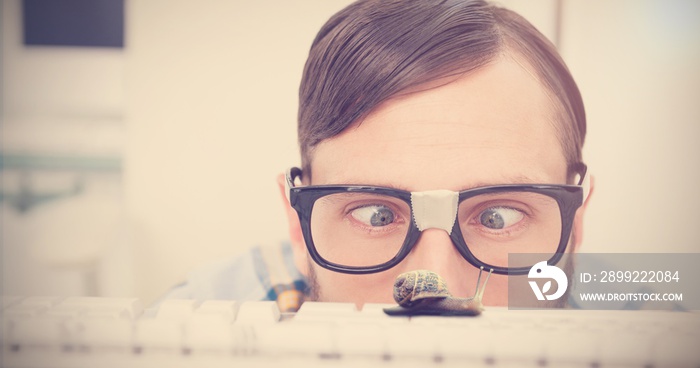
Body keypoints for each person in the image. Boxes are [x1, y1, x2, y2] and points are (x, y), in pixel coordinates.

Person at [160, 0, 592, 311]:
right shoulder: (177, 330)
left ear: (575, 222)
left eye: (498, 216)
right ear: (297, 222)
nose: (434, 288)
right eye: (376, 215)